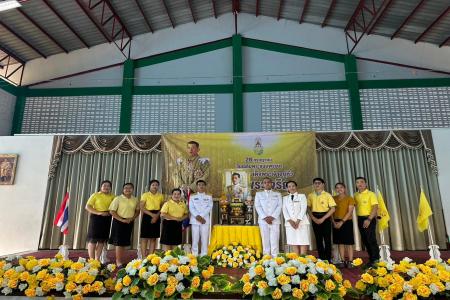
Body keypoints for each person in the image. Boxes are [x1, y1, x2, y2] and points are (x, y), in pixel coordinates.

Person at [108, 183, 140, 267]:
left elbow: (137, 211)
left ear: (133, 189)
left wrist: (132, 218)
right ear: (123, 189)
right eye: (126, 188)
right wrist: (121, 219)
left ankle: (121, 260)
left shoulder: (135, 199)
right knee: (119, 243)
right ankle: (118, 261)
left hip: (129, 222)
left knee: (124, 242)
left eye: (130, 188)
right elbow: (112, 211)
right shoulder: (118, 198)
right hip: (119, 222)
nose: (128, 189)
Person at [85, 180, 115, 261]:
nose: (106, 187)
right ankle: (91, 260)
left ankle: (97, 259)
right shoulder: (95, 195)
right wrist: (99, 213)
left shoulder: (113, 196)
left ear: (110, 188)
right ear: (101, 187)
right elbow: (88, 206)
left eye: (108, 186)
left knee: (102, 240)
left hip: (107, 218)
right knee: (93, 240)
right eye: (104, 185)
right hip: (96, 218)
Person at [307, 177, 336, 261]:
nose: (317, 184)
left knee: (327, 239)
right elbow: (308, 208)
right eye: (315, 183)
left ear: (323, 184)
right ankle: (321, 258)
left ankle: (328, 259)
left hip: (326, 217)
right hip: (314, 217)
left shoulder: (327, 195)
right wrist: (313, 218)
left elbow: (333, 209)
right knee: (318, 239)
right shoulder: (310, 195)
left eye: (319, 183)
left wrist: (323, 219)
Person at [354, 177, 380, 266]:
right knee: (365, 240)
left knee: (371, 239)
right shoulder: (355, 195)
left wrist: (369, 219)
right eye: (357, 182)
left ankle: (376, 259)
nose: (359, 184)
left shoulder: (371, 194)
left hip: (369, 218)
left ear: (365, 184)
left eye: (361, 182)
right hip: (360, 219)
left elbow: (375, 207)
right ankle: (371, 259)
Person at [255, 177, 282, 257]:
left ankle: (275, 258)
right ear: (263, 184)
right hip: (263, 221)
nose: (267, 183)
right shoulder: (259, 194)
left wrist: (272, 217)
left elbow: (279, 206)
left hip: (275, 220)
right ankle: (266, 258)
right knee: (265, 240)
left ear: (272, 183)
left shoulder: (277, 194)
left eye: (269, 182)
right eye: (265, 182)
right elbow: (258, 206)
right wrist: (265, 218)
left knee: (275, 240)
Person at [282, 180, 310, 255]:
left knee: (303, 241)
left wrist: (297, 221)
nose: (291, 188)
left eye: (293, 186)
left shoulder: (302, 196)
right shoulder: (285, 198)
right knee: (293, 241)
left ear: (296, 187)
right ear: (287, 188)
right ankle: (296, 260)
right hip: (290, 224)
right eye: (289, 186)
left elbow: (303, 209)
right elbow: (284, 211)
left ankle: (303, 260)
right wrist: (290, 222)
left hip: (301, 222)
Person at [332, 182, 355, 268]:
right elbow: (331, 211)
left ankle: (350, 261)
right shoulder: (333, 198)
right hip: (336, 222)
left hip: (346, 221)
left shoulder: (350, 198)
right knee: (340, 242)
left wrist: (342, 222)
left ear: (344, 189)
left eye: (341, 187)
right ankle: (342, 260)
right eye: (337, 188)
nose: (339, 189)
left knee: (349, 243)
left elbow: (350, 212)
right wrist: (334, 222)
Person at [139, 179, 164, 257]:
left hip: (157, 215)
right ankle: (143, 257)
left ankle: (150, 257)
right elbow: (142, 207)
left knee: (153, 238)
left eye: (156, 185)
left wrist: (156, 216)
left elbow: (162, 207)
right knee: (144, 238)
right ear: (150, 186)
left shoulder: (160, 195)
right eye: (153, 185)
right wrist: (152, 215)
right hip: (147, 216)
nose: (155, 186)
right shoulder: (145, 195)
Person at [189, 180, 213, 256]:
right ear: (197, 186)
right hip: (195, 220)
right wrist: (197, 216)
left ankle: (204, 255)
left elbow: (210, 206)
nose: (201, 186)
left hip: (204, 220)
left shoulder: (209, 196)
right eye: (199, 185)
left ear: (205, 186)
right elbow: (191, 207)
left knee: (204, 238)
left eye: (203, 185)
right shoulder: (192, 196)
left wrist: (201, 216)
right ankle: (194, 255)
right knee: (195, 239)